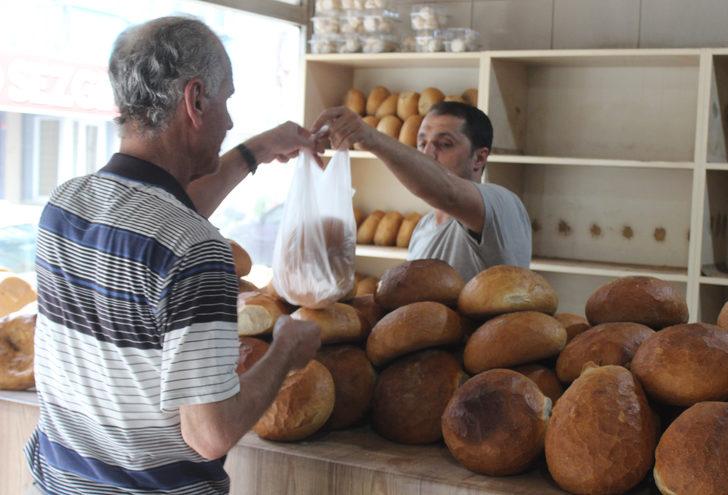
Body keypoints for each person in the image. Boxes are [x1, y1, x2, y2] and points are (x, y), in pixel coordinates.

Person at [24, 16, 321, 495]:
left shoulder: (65, 205)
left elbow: (159, 219)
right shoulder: (196, 250)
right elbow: (210, 434)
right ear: (196, 99)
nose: (227, 120)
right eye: (226, 101)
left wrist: (257, 151)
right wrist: (286, 350)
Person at [313, 102, 532, 282]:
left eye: (445, 144)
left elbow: (448, 191)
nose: (427, 153)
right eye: (421, 143)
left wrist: (370, 137)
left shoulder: (501, 203)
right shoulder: (424, 227)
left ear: (479, 158)